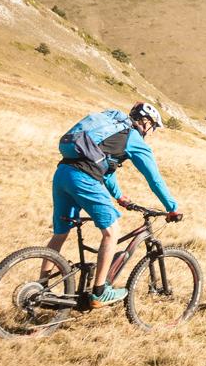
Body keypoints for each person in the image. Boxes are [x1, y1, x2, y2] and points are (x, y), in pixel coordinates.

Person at [45, 102, 180, 307]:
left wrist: (119, 196)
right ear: (145, 123)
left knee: (60, 234)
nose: (151, 132)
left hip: (63, 173)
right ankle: (99, 292)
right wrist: (172, 207)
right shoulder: (133, 138)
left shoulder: (113, 131)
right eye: (153, 128)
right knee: (112, 231)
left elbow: (104, 167)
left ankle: (41, 287)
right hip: (83, 179)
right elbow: (154, 179)